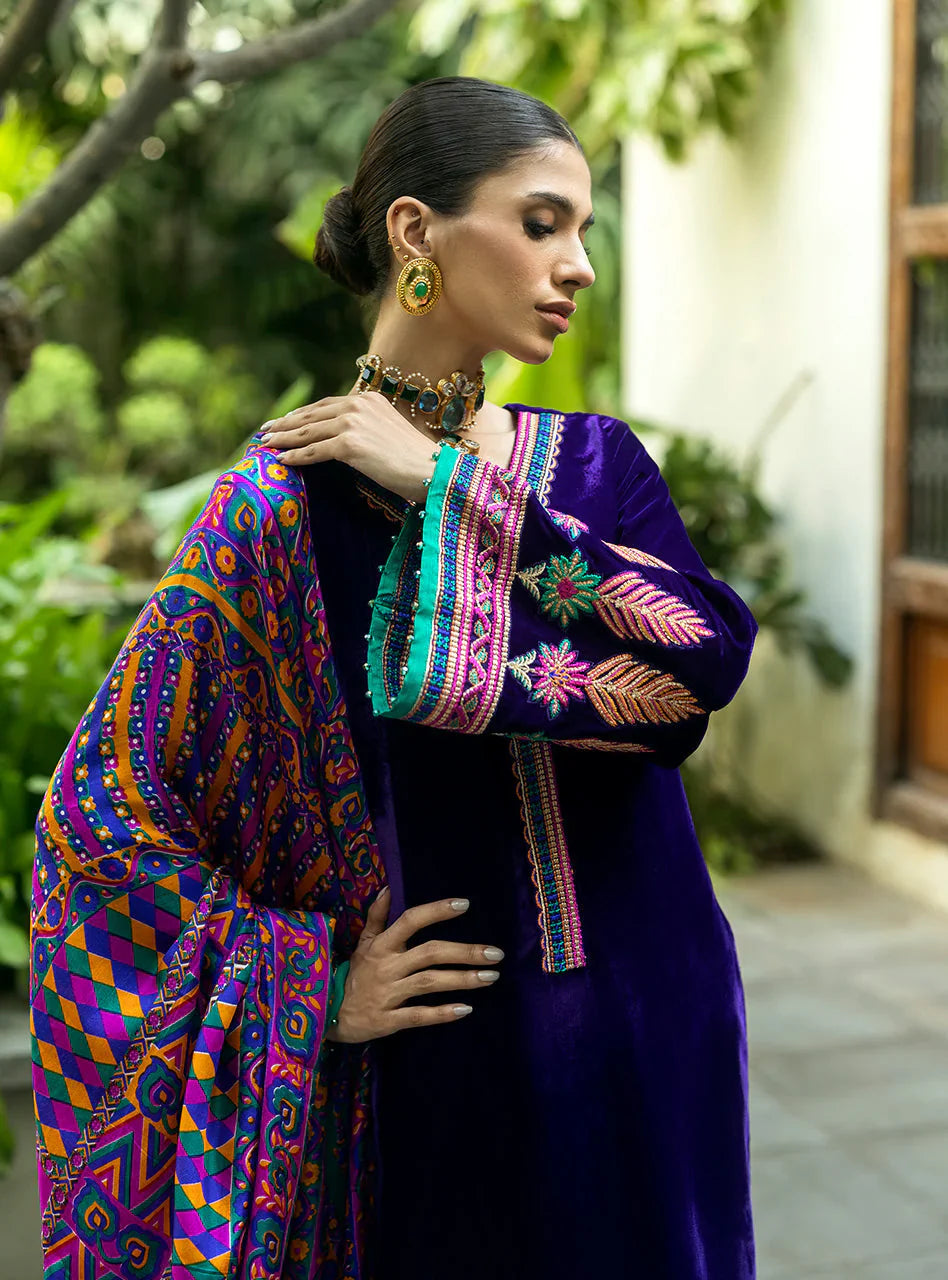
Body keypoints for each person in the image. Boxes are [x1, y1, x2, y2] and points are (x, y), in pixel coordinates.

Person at [30, 76, 758, 1280]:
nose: (579, 264)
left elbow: (701, 663)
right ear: (416, 231)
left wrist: (446, 485)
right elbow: (96, 818)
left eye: (582, 228)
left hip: (657, 1014)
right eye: (541, 222)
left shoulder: (596, 464)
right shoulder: (278, 506)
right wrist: (307, 988)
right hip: (441, 1064)